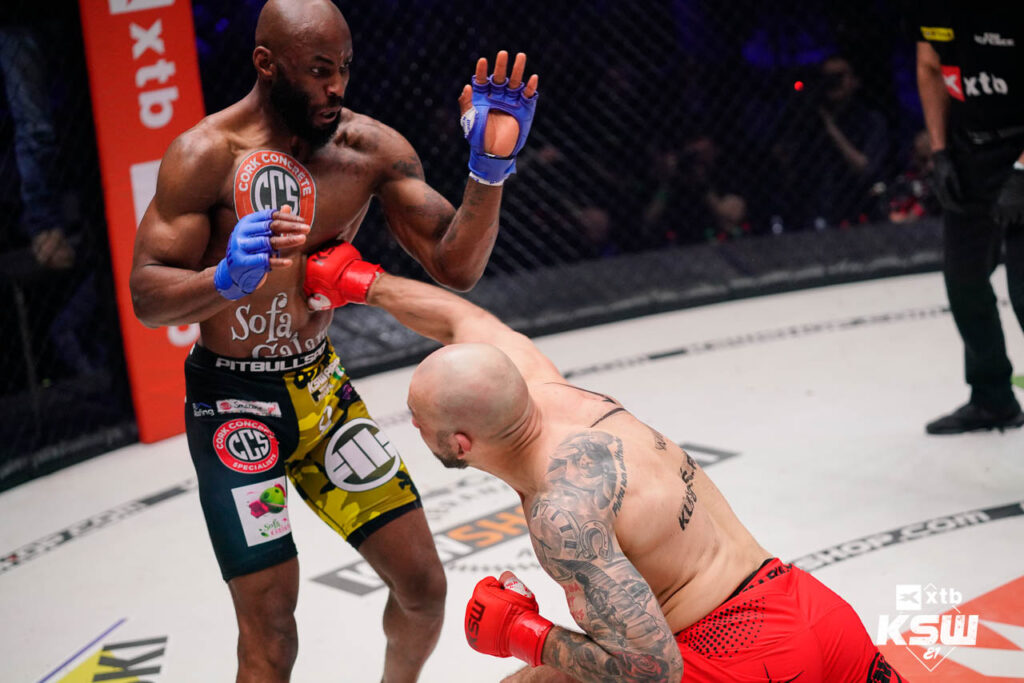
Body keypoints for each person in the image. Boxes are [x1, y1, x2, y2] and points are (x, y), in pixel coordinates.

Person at [128, 0, 539, 679]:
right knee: (271, 631)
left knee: (424, 589)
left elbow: (456, 264)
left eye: (344, 67)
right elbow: (147, 294)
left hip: (321, 393)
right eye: (319, 70)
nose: (337, 86)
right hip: (231, 405)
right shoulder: (205, 154)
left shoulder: (368, 152)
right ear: (267, 64)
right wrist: (222, 280)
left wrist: (488, 169)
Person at [305, 245, 905, 682]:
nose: (412, 427)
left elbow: (652, 672)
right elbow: (468, 321)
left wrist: (525, 634)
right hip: (816, 612)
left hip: (743, 660)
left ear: (462, 444)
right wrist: (364, 282)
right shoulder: (545, 391)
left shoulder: (562, 513)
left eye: (419, 419)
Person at [910, 2, 1024, 434]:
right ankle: (992, 398)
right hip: (970, 150)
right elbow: (930, 66)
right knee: (964, 279)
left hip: (1019, 144)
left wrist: (1022, 172)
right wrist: (940, 151)